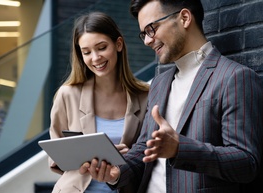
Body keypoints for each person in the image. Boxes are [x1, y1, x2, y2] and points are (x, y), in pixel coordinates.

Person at [79, 0, 263, 193]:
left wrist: (180, 149)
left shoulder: (234, 77)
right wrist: (117, 172)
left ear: (184, 18)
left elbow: (246, 163)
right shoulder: (160, 83)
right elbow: (145, 146)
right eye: (143, 34)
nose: (148, 41)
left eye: (152, 29)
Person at [48, 12, 150, 193]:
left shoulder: (145, 96)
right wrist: (85, 159)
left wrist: (129, 157)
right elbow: (56, 155)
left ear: (118, 44)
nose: (95, 58)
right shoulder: (68, 94)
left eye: (101, 48)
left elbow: (151, 156)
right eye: (86, 52)